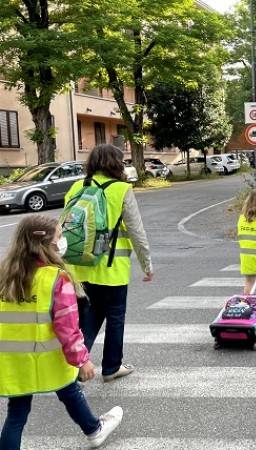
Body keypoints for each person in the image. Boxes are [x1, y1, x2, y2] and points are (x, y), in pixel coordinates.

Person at [0, 215, 123, 449]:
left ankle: (94, 428)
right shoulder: (56, 278)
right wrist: (82, 361)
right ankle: (94, 429)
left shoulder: (5, 275)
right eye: (59, 236)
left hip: (12, 359)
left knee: (16, 413)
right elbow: (67, 327)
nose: (62, 241)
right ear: (46, 244)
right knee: (68, 389)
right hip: (49, 359)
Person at [65, 144, 153, 382]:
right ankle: (112, 367)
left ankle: (74, 366)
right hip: (111, 270)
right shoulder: (122, 189)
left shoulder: (76, 186)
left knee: (88, 317)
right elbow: (136, 230)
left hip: (79, 267)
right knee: (115, 318)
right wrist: (147, 264)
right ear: (116, 162)